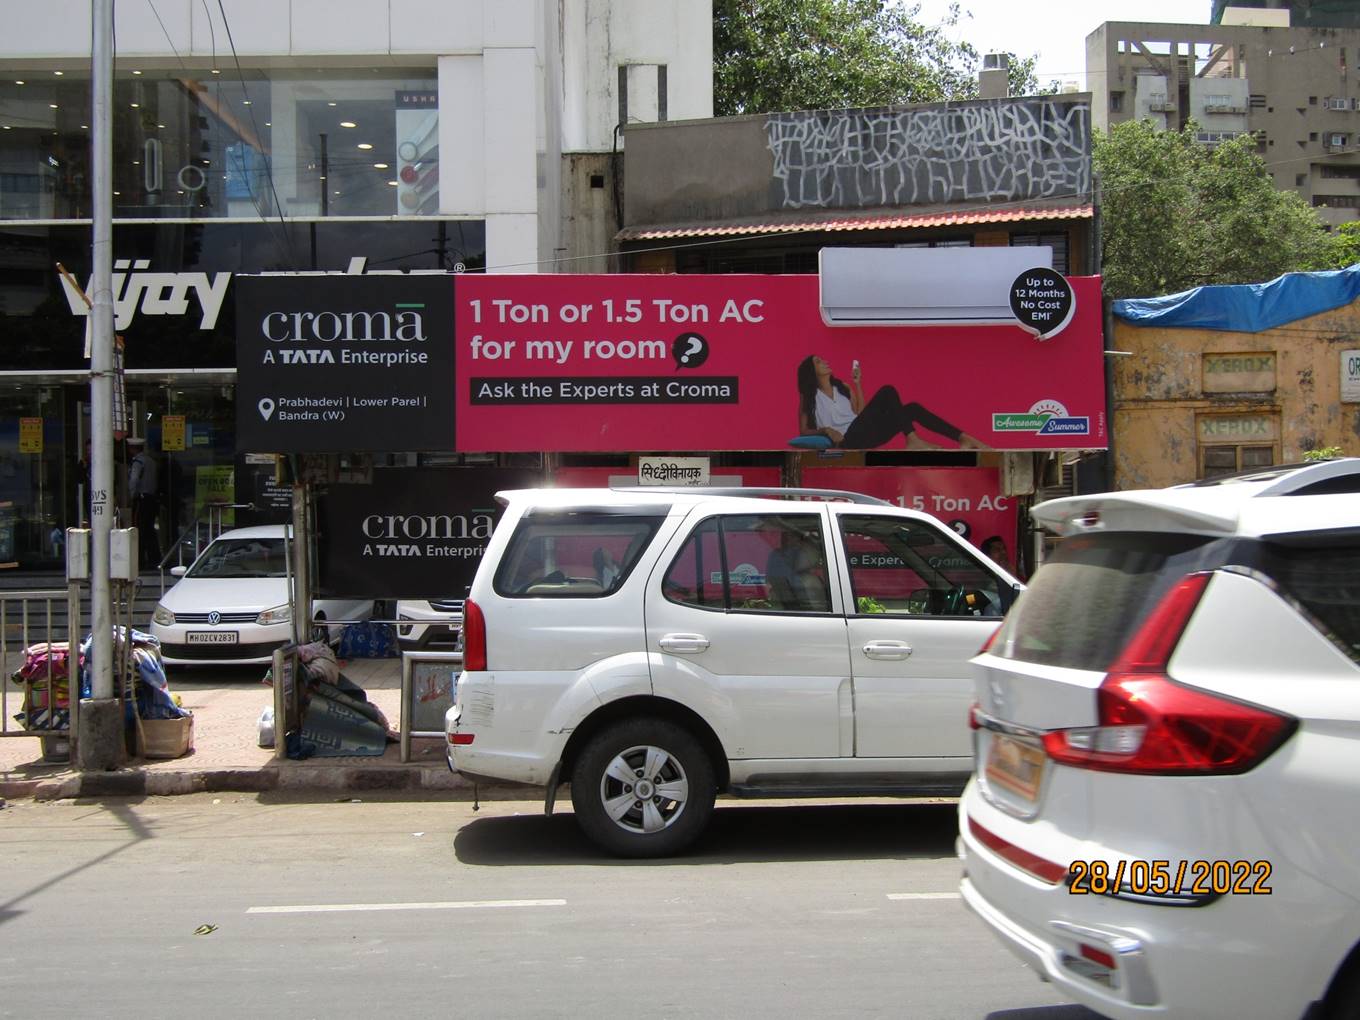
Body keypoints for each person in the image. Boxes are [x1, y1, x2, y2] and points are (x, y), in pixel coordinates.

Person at [796, 354, 983, 451]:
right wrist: (826, 430)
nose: (825, 362)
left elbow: (860, 413)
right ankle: (913, 439)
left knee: (912, 408)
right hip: (847, 441)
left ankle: (962, 438)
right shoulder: (809, 396)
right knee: (887, 390)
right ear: (811, 371)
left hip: (865, 432)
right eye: (819, 362)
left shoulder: (843, 387)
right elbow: (804, 431)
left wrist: (857, 383)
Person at [126, 436, 162, 569]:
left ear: (132, 449)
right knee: (150, 529)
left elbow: (134, 480)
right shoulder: (151, 461)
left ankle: (140, 560)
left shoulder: (138, 462)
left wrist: (131, 496)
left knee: (139, 529)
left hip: (141, 499)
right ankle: (155, 557)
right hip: (152, 498)